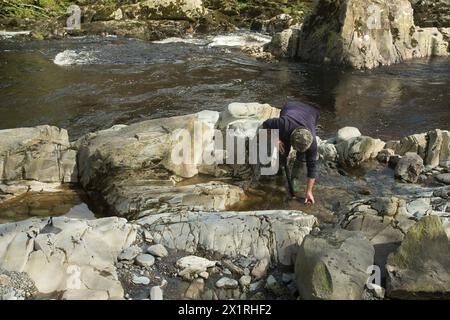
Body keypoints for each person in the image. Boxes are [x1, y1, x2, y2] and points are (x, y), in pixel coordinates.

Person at [262, 100, 319, 204]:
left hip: (312, 113)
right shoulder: (283, 124)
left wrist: (309, 191)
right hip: (291, 106)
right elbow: (265, 125)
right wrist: (276, 139)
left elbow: (312, 167)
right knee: (283, 150)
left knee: (302, 157)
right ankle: (280, 169)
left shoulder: (312, 143)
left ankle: (294, 179)